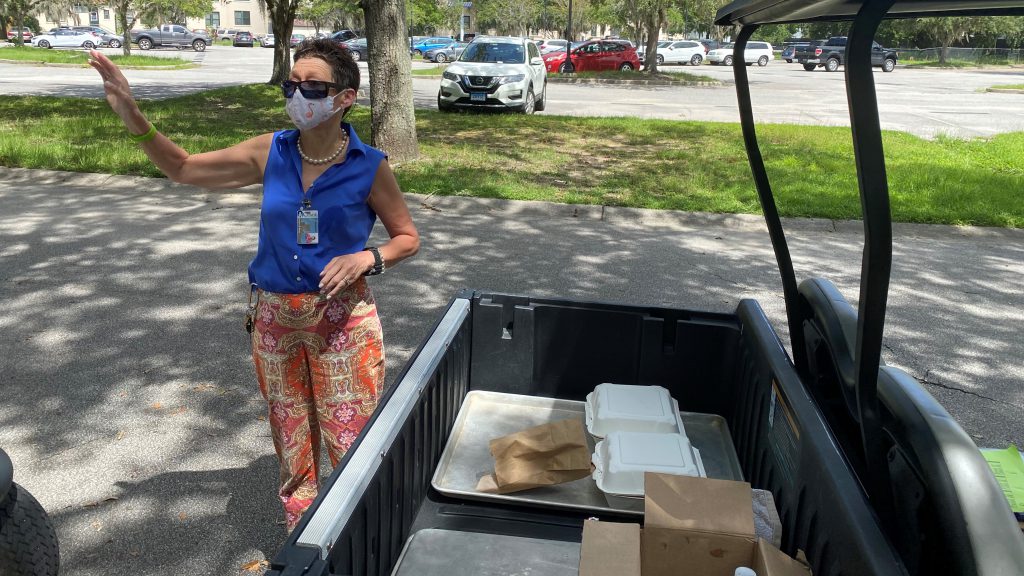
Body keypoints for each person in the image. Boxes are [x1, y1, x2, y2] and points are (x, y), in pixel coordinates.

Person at [89, 39, 420, 531]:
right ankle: (303, 539)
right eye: (292, 84)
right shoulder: (273, 151)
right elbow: (181, 168)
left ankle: (362, 539)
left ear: (345, 97)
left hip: (342, 325)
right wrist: (134, 116)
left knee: (351, 438)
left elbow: (407, 238)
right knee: (290, 437)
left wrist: (365, 258)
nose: (298, 94)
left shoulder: (369, 165)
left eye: (312, 86)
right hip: (273, 321)